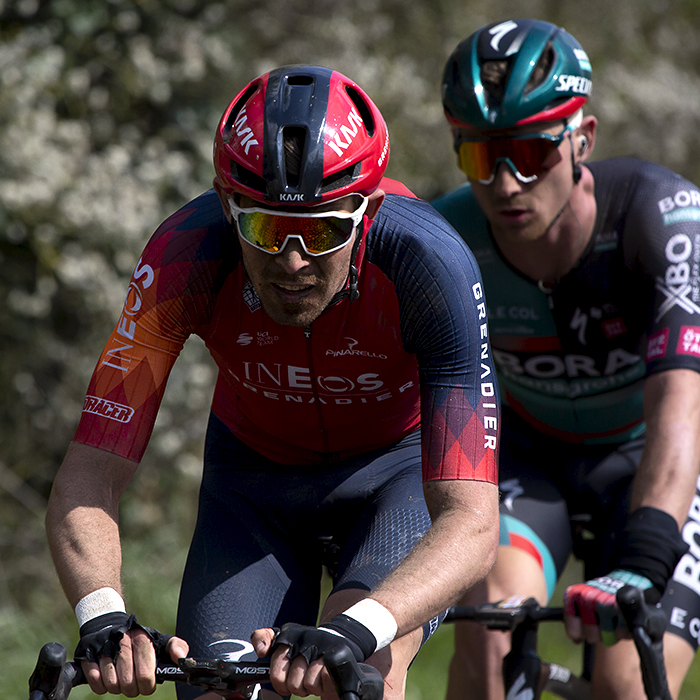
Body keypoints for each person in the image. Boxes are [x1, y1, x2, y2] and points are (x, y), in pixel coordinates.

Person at [45, 64, 500, 700]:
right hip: (253, 484)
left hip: (393, 478)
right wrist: (104, 617)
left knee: (364, 675)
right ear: (226, 206)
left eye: (320, 231)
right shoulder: (184, 257)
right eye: (263, 228)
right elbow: (89, 471)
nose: (292, 263)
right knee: (218, 690)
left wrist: (358, 628)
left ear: (365, 210)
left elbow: (474, 523)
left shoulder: (429, 263)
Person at [432, 18, 700, 700]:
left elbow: (679, 408)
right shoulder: (448, 239)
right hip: (531, 461)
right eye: (479, 156)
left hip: (650, 462)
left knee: (625, 677)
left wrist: (643, 561)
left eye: (530, 151)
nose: (506, 181)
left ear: (583, 137)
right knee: (492, 641)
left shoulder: (660, 218)